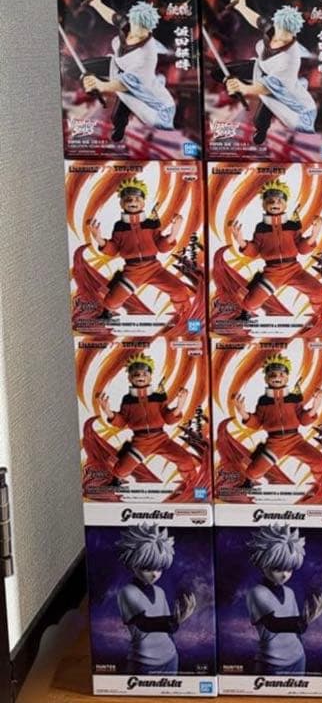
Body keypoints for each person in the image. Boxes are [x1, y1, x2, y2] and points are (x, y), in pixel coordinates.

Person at [213, 0, 317, 145]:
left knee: (261, 117)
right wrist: (241, 6)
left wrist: (244, 88)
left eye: (286, 33)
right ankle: (234, 88)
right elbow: (257, 20)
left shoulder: (290, 59)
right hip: (261, 68)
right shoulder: (272, 30)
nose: (280, 35)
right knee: (219, 72)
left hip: (277, 89)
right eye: (279, 28)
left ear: (293, 32)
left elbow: (267, 88)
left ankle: (261, 131)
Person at [90, 178, 194, 322]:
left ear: (143, 202)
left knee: (180, 290)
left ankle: (186, 317)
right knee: (111, 302)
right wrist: (100, 239)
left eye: (137, 199)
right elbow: (114, 249)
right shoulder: (119, 227)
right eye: (128, 199)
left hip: (154, 269)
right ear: (121, 203)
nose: (133, 202)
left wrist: (174, 232)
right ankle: (106, 312)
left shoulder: (151, 224)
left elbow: (161, 247)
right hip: (132, 272)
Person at [81, 0, 176, 143]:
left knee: (120, 112)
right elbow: (112, 16)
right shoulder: (126, 26)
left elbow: (126, 84)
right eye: (137, 24)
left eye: (144, 27)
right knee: (84, 68)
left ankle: (119, 128)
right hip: (118, 65)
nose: (139, 30)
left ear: (150, 28)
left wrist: (101, 85)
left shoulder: (147, 54)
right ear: (132, 20)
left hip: (136, 83)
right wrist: (96, 3)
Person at [230, 180, 322, 323]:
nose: (274, 203)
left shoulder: (292, 225)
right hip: (273, 273)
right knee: (250, 304)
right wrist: (241, 241)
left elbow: (302, 249)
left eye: (279, 200)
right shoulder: (261, 228)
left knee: (318, 291)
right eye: (270, 200)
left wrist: (315, 234)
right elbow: (254, 251)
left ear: (285, 204)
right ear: (264, 204)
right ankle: (245, 312)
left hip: (294, 270)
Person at [97, 354, 198, 489]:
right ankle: (122, 459)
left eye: (145, 373)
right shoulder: (127, 400)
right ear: (129, 378)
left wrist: (180, 405)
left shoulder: (158, 397)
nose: (140, 376)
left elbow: (168, 419)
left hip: (161, 439)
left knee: (186, 460)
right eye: (136, 374)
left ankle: (194, 486)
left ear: (150, 377)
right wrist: (108, 412)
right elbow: (122, 422)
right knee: (121, 471)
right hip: (141, 442)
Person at [232, 353, 322, 490]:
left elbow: (303, 420)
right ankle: (248, 483)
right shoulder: (263, 401)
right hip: (275, 443)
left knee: (319, 461)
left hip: (296, 440)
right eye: (272, 375)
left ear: (287, 377)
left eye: (281, 374)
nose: (277, 377)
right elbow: (257, 423)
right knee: (253, 472)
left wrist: (315, 406)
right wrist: (243, 412)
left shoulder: (294, 398)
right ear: (266, 378)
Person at [115, 524, 196, 674]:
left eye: (159, 569)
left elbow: (168, 630)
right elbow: (144, 624)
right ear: (132, 564)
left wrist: (177, 620)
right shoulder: (127, 592)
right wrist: (174, 620)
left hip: (171, 657)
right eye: (147, 568)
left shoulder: (160, 592)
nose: (154, 574)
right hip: (143, 662)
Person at [246, 524, 322, 674]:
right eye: (277, 569)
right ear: (262, 564)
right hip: (271, 662)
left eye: (289, 569)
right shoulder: (256, 593)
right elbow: (273, 624)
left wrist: (304, 622)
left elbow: (297, 631)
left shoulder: (289, 593)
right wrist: (303, 621)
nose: (284, 575)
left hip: (298, 657)